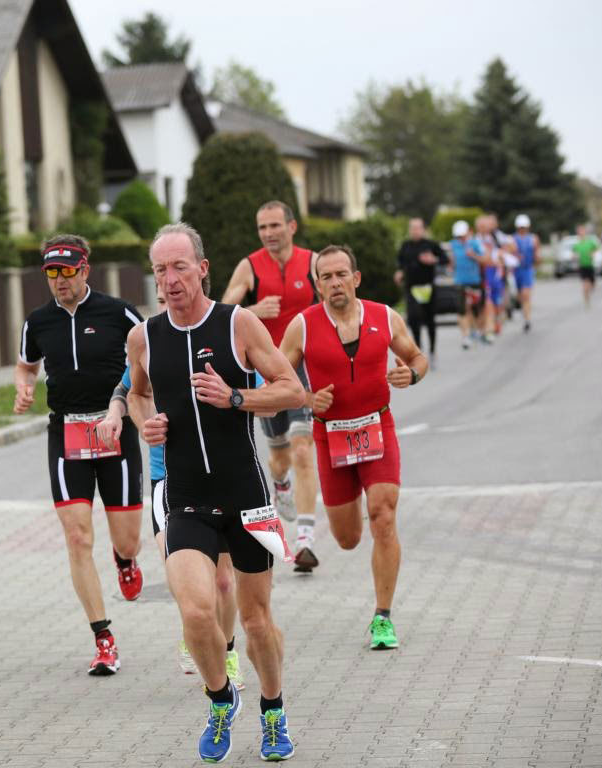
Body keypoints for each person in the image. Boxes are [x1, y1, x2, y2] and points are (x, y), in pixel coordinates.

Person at [128, 223, 305, 763]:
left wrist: (235, 398)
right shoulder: (145, 337)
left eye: (180, 266)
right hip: (184, 497)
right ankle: (220, 698)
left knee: (255, 621)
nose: (170, 279)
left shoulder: (238, 324)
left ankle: (273, 711)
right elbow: (136, 394)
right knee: (198, 613)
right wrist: (144, 422)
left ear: (202, 269)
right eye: (160, 269)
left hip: (245, 496)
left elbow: (292, 389)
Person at [96, 285, 246, 691]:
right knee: (185, 573)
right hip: (171, 479)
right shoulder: (151, 340)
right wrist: (115, 416)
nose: (168, 309)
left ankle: (228, 650)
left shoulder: (222, 335)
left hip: (222, 476)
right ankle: (196, 628)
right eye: (160, 302)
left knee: (223, 580)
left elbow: (266, 381)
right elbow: (124, 389)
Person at [279, 244, 428, 653]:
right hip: (332, 436)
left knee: (383, 515)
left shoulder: (383, 316)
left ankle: (383, 617)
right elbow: (275, 377)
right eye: (325, 277)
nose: (335, 283)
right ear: (316, 285)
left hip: (377, 426)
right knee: (347, 538)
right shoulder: (303, 326)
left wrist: (410, 374)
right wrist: (308, 399)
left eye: (341, 274)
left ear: (356, 278)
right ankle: (351, 531)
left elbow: (417, 356)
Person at [14, 234, 145, 677]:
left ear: (85, 270)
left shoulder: (118, 311)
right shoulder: (38, 321)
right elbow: (26, 363)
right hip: (66, 432)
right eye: (51, 272)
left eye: (67, 270)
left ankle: (125, 560)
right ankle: (103, 638)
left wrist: (133, 402)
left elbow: (143, 356)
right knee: (77, 537)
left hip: (114, 428)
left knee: (126, 538)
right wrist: (24, 385)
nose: (59, 280)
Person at [221, 200, 320, 572]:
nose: (269, 234)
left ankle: (306, 539)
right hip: (265, 372)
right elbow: (224, 304)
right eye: (263, 228)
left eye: (275, 226)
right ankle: (280, 486)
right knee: (279, 457)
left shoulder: (311, 263)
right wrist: (251, 310)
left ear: (292, 227)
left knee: (302, 447)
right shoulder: (250, 266)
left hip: (303, 369)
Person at [394, 218, 449, 365]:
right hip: (412, 288)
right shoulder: (406, 246)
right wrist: (399, 272)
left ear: (423, 229)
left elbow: (445, 259)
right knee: (413, 318)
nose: (415, 231)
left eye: (418, 228)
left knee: (430, 319)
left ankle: (432, 350)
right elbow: (400, 261)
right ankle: (418, 350)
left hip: (428, 288)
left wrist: (434, 260)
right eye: (412, 228)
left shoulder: (431, 245)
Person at [450, 220, 486, 350]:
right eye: (458, 236)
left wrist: (473, 255)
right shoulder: (453, 245)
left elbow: (484, 260)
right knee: (462, 309)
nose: (461, 239)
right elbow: (452, 261)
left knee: (475, 309)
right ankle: (465, 336)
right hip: (459, 281)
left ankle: (476, 330)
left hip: (474, 281)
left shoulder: (475, 243)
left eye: (462, 236)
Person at [512, 214, 541, 332]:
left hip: (527, 269)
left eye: (524, 227)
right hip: (516, 270)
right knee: (520, 296)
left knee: (526, 295)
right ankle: (524, 313)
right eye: (520, 227)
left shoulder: (533, 239)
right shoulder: (512, 239)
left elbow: (537, 256)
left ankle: (527, 320)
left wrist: (537, 257)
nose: (522, 229)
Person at [573, 225, 601, 306]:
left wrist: (593, 253)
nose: (581, 233)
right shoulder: (577, 244)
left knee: (592, 284)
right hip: (582, 266)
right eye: (579, 232)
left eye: (582, 231)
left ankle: (590, 290)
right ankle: (586, 301)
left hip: (590, 265)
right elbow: (574, 253)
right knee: (585, 284)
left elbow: (597, 248)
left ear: (585, 232)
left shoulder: (590, 242)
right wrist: (575, 256)